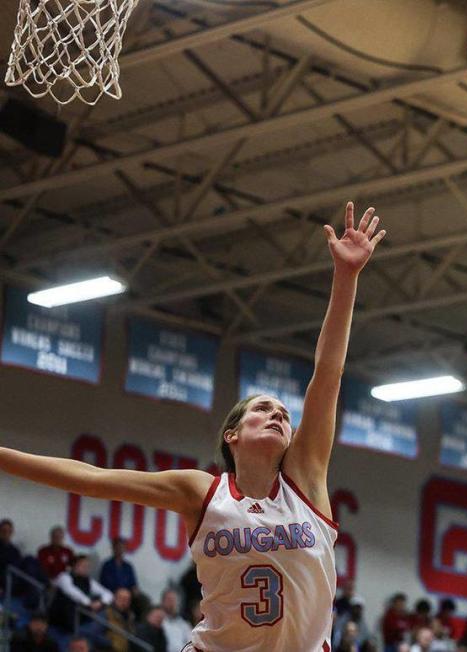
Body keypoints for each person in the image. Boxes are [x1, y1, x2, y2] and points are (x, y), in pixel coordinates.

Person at [0, 201, 387, 652]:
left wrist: (346, 278)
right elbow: (92, 478)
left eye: (284, 412)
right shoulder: (201, 493)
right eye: (263, 409)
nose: (279, 415)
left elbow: (328, 372)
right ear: (232, 435)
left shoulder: (306, 479)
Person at [49, 555, 113, 632]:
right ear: (74, 566)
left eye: (88, 566)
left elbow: (108, 593)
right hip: (59, 619)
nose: (86, 569)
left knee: (105, 613)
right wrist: (89, 603)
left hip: (80, 619)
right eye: (83, 565)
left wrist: (101, 602)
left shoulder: (88, 581)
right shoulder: (64, 576)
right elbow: (71, 591)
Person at [104, 587, 136, 652]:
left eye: (127, 600)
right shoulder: (106, 614)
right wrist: (111, 643)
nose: (124, 602)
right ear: (114, 599)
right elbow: (92, 632)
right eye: (121, 599)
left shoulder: (130, 617)